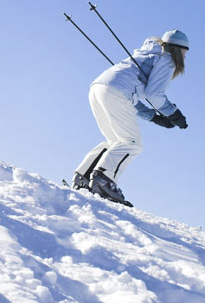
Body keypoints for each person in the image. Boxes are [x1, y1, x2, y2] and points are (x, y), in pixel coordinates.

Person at [72, 30, 190, 206]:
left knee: (116, 142)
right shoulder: (167, 59)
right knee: (132, 143)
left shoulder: (147, 54)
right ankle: (104, 180)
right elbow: (154, 93)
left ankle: (83, 177)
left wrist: (154, 117)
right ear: (178, 49)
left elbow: (130, 96)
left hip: (98, 88)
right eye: (185, 52)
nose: (185, 56)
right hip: (115, 92)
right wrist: (174, 113)